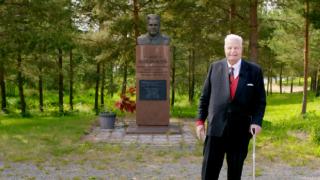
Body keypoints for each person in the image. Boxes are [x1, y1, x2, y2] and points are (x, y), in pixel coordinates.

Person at [196, 34, 266, 180]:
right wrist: (200, 122)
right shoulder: (214, 68)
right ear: (224, 48)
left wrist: (257, 121)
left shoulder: (254, 71)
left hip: (240, 131)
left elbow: (260, 101)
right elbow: (205, 97)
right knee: (209, 171)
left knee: (235, 172)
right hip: (215, 129)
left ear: (242, 49)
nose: (232, 51)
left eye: (236, 48)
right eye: (229, 47)